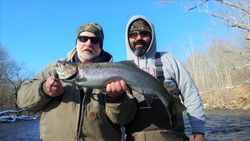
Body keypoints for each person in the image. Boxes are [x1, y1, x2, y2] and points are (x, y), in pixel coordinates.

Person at [17, 22, 136, 141]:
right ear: (76, 42)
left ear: (101, 46)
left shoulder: (117, 72)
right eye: (83, 38)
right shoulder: (55, 68)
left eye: (94, 40)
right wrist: (44, 90)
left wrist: (116, 99)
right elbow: (22, 100)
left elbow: (126, 119)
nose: (88, 43)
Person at [124, 15, 205, 141]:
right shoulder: (122, 69)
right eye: (133, 34)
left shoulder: (168, 59)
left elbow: (190, 93)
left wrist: (198, 130)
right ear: (127, 39)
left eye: (144, 33)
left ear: (152, 36)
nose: (138, 38)